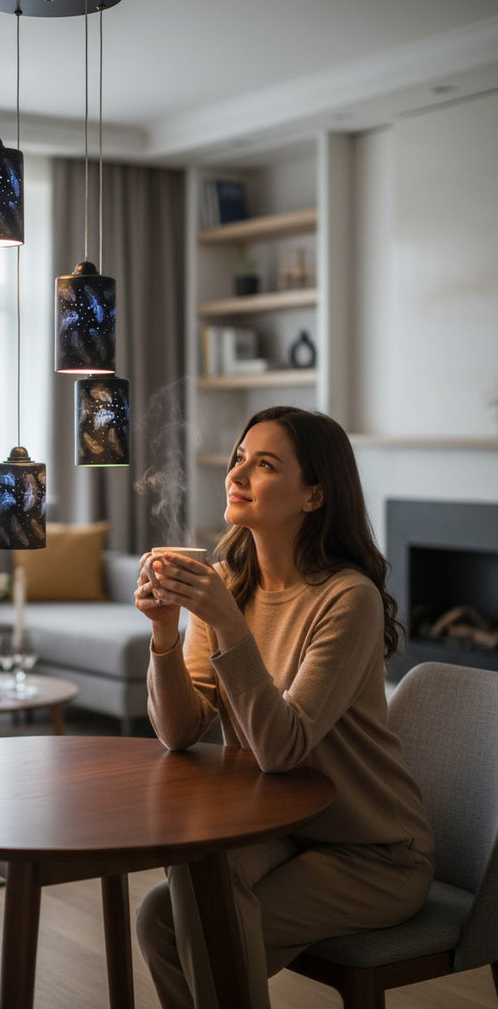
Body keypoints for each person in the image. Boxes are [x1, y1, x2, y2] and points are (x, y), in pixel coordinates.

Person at [133, 405, 434, 1009]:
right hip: (282, 830)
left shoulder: (347, 599)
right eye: (240, 458)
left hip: (372, 852)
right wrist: (165, 634)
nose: (237, 474)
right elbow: (180, 731)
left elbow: (282, 749)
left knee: (207, 925)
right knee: (166, 906)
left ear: (313, 496)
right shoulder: (228, 584)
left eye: (265, 464)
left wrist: (226, 624)